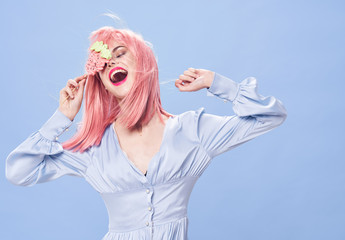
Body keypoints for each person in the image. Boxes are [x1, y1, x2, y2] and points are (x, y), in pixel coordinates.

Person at [5, 26, 287, 240]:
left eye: (121, 54)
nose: (112, 63)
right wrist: (62, 117)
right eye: (103, 65)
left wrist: (217, 83)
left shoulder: (194, 131)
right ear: (103, 84)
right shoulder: (92, 148)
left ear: (143, 63)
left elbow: (270, 116)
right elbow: (19, 172)